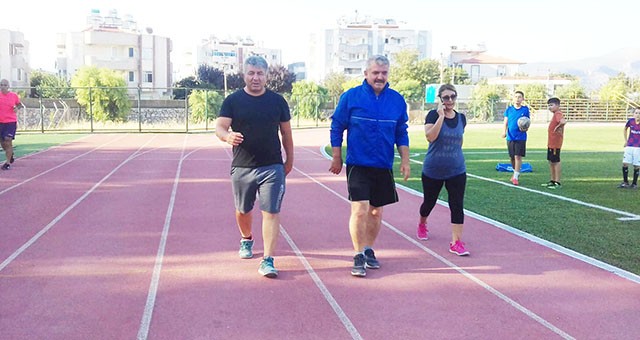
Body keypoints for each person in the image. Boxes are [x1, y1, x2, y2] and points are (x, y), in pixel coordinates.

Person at [329, 55, 410, 277]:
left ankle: (367, 249)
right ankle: (357, 254)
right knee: (360, 209)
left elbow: (401, 131)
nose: (379, 77)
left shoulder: (396, 100)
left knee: (376, 211)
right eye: (375, 72)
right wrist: (337, 157)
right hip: (358, 163)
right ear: (366, 74)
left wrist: (405, 160)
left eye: (384, 73)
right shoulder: (351, 97)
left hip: (383, 165)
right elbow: (337, 126)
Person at [215, 55, 294, 278]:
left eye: (260, 74)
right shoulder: (233, 100)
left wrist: (289, 160)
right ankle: (246, 238)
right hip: (242, 166)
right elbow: (220, 126)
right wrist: (226, 136)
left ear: (267, 76)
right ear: (244, 75)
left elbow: (286, 133)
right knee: (243, 210)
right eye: (251, 73)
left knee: (271, 211)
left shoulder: (278, 101)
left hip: (272, 166)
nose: (255, 78)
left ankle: (268, 260)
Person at [416, 84, 469, 256]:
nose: (450, 100)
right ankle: (422, 223)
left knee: (457, 205)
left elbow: (459, 140)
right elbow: (430, 137)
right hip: (433, 170)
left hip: (457, 170)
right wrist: (440, 117)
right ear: (440, 99)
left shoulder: (461, 118)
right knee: (429, 203)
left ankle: (456, 242)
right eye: (446, 97)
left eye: (453, 96)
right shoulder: (433, 115)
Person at [501, 90, 530, 185]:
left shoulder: (525, 109)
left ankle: (516, 177)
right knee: (512, 157)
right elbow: (505, 122)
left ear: (522, 99)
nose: (517, 99)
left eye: (519, 97)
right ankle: (515, 173)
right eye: (516, 97)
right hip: (510, 137)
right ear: (513, 98)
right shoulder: (509, 109)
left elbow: (527, 121)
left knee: (518, 156)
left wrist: (525, 128)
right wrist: (503, 132)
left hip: (521, 137)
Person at [541, 97, 566, 189]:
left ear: (558, 105)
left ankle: (557, 182)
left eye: (551, 105)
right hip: (551, 143)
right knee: (551, 161)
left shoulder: (558, 114)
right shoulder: (555, 114)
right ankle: (552, 180)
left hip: (555, 143)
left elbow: (563, 121)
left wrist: (558, 127)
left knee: (555, 161)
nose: (549, 107)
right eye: (549, 105)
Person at [0, 79, 21, 170]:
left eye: (5, 85)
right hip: (1, 122)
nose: (3, 86)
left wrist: (16, 108)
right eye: (1, 85)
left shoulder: (13, 96)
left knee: (8, 140)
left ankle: (7, 163)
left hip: (10, 122)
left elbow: (19, 104)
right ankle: (10, 154)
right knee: (3, 143)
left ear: (8, 86)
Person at [618, 108, 640, 189]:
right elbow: (625, 129)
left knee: (636, 165)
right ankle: (625, 182)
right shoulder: (630, 121)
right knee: (625, 163)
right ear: (633, 114)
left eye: (639, 113)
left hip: (638, 147)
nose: (637, 115)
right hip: (629, 146)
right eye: (636, 113)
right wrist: (626, 141)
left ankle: (634, 184)